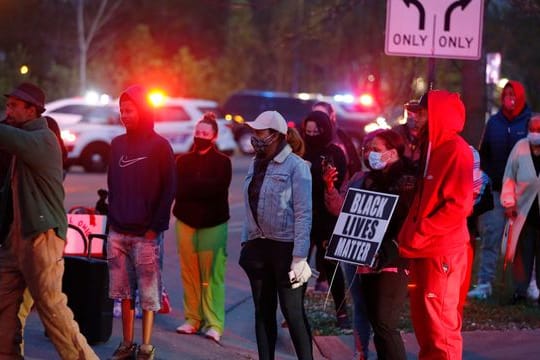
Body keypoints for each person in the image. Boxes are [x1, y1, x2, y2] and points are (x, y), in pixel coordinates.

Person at [0, 82, 98, 359]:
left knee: (53, 310)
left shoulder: (41, 139)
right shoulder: (22, 139)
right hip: (15, 240)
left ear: (32, 111)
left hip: (41, 238)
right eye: (7, 105)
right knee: (5, 305)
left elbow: (4, 135)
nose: (8, 110)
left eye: (14, 106)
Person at [324, 129, 416, 360]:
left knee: (385, 324)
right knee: (375, 321)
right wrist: (330, 189)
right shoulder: (363, 179)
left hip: (392, 260)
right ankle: (363, 353)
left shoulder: (408, 182)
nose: (369, 154)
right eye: (367, 149)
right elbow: (343, 210)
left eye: (376, 150)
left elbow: (407, 223)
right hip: (363, 259)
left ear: (393, 152)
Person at [398, 90, 473, 359]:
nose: (416, 118)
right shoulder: (434, 149)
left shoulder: (455, 151)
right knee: (427, 328)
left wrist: (420, 233)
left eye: (422, 112)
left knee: (440, 330)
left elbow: (458, 207)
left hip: (441, 253)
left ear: (438, 115)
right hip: (426, 251)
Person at [107, 84, 176, 360]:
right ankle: (126, 343)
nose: (125, 115)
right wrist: (112, 222)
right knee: (123, 292)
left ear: (143, 110)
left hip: (147, 233)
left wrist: (154, 229)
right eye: (122, 110)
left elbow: (169, 189)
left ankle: (146, 346)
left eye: (130, 110)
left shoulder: (160, 146)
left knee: (148, 293)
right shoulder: (117, 145)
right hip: (118, 231)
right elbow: (112, 184)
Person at [239, 110, 313, 360]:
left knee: (293, 314)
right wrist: (245, 242)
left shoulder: (297, 166)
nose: (255, 138)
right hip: (258, 246)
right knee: (262, 311)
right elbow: (250, 204)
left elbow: (304, 213)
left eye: (260, 133)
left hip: (286, 249)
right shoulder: (255, 162)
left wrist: (300, 256)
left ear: (276, 135)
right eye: (254, 133)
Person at [469, 80, 532, 299]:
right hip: (496, 189)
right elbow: (484, 153)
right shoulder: (494, 123)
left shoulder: (529, 122)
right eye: (506, 94)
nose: (509, 98)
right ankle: (484, 284)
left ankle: (525, 286)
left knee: (524, 240)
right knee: (491, 236)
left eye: (513, 94)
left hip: (524, 194)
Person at [173, 112, 232, 342]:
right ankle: (192, 319)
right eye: (197, 133)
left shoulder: (223, 162)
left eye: (205, 133)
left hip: (213, 224)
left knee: (212, 276)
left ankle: (214, 322)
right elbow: (180, 189)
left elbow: (217, 189)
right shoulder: (183, 161)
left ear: (214, 136)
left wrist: (193, 188)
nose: (200, 137)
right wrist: (199, 189)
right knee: (189, 273)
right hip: (186, 222)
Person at [302, 110, 351, 329]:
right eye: (308, 131)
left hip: (325, 217)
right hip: (303, 216)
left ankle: (341, 312)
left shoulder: (334, 153)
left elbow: (337, 183)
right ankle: (295, 310)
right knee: (299, 264)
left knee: (331, 265)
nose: (311, 135)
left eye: (316, 131)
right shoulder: (300, 150)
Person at [500, 114, 540, 304]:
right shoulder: (520, 148)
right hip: (524, 211)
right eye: (532, 130)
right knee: (522, 253)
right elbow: (509, 178)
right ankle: (520, 291)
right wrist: (509, 202)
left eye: (538, 130)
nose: (535, 134)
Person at [312, 101, 362, 178]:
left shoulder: (341, 135)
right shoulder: (308, 135)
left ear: (332, 116)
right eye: (315, 114)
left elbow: (354, 162)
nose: (318, 117)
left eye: (322, 114)